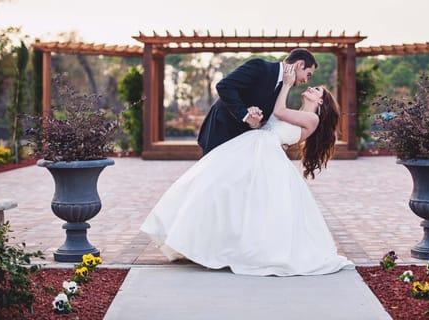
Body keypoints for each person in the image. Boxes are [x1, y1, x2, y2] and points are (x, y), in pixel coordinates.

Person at [140, 59, 354, 276]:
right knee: (224, 193)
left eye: (315, 88)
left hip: (264, 155)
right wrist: (253, 114)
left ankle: (244, 249)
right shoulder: (296, 110)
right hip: (253, 147)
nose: (309, 85)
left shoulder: (311, 118)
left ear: (320, 102)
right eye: (309, 78)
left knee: (244, 200)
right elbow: (270, 119)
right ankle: (211, 243)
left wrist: (287, 84)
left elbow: (278, 112)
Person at [197, 48, 318, 155]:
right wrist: (245, 115)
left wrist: (255, 123)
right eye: (308, 74)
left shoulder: (284, 88)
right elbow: (224, 86)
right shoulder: (260, 67)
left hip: (242, 144)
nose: (306, 80)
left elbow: (265, 120)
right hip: (220, 132)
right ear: (300, 64)